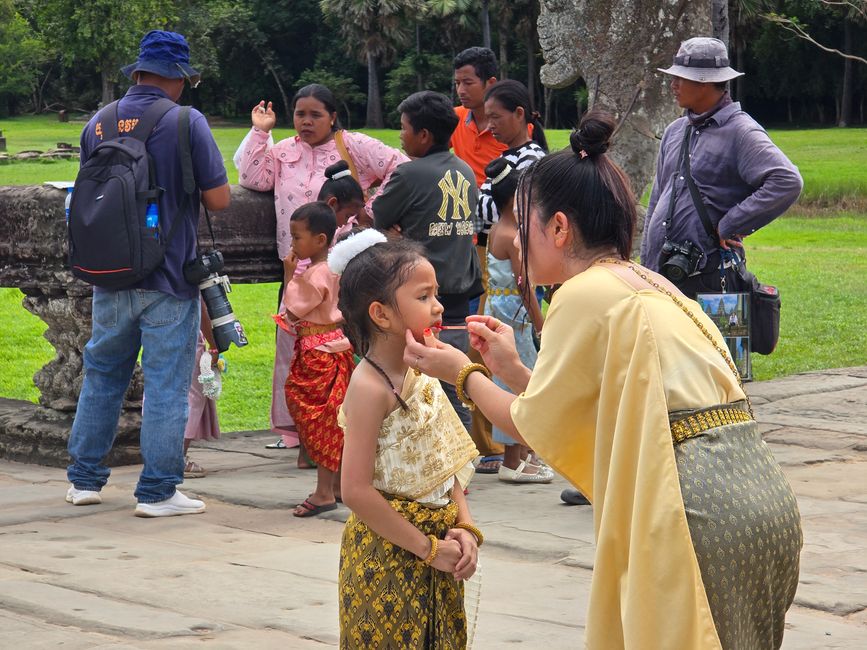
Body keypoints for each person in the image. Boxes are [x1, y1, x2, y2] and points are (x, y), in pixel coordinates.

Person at [406, 110, 803, 649]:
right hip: (759, 502)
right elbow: (597, 411)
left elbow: (530, 426)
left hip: (694, 511)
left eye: (521, 227)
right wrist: (513, 369)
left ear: (560, 228)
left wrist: (463, 372)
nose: (511, 243)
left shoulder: (582, 294)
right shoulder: (648, 282)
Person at [65, 30, 230, 517]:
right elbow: (219, 200)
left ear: (137, 73)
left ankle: (84, 480)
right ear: (178, 78)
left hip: (109, 272)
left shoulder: (98, 122)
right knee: (165, 383)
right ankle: (157, 490)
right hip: (169, 274)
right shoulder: (185, 121)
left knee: (101, 375)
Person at [238, 84, 407, 453]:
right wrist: (260, 131)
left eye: (315, 115)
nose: (306, 122)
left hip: (344, 269)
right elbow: (252, 179)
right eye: (300, 114)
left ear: (333, 116)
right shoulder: (283, 152)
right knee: (292, 349)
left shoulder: (353, 145)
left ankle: (351, 426)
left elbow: (400, 166)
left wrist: (370, 212)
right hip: (297, 268)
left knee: (346, 348)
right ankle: (295, 430)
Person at [330, 230, 480, 648]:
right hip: (389, 555)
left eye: (436, 294)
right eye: (424, 296)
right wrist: (428, 549)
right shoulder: (370, 387)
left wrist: (465, 528)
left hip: (440, 548)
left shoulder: (422, 370)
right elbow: (356, 491)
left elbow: (447, 465)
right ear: (381, 314)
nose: (438, 306)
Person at [642, 37, 803, 298]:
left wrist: (731, 223)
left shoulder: (740, 131)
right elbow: (657, 199)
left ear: (704, 82)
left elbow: (787, 181)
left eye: (681, 78)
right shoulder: (675, 131)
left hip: (710, 277)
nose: (673, 85)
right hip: (663, 275)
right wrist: (647, 268)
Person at [372, 90, 482, 433]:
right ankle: (463, 467)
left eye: (404, 128)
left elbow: (378, 215)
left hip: (418, 297)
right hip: (460, 296)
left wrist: (398, 236)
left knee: (417, 387)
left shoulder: (410, 174)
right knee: (457, 384)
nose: (400, 136)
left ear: (423, 135)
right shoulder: (465, 170)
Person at [277, 202, 355, 517]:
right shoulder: (339, 268)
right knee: (337, 417)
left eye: (297, 238)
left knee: (318, 417)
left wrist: (287, 275)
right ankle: (336, 485)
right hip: (339, 347)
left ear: (320, 240)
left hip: (317, 354)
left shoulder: (313, 275)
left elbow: (291, 312)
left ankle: (323, 492)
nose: (293, 244)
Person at [481, 158, 551, 485]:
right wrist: (540, 321)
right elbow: (524, 283)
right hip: (516, 313)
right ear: (516, 200)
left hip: (498, 305)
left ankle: (520, 455)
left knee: (508, 378)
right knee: (521, 377)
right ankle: (512, 459)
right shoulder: (512, 236)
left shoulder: (497, 230)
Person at [475, 79, 548, 237]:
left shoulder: (530, 157)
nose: (490, 125)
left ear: (519, 113)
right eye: (488, 118)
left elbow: (511, 211)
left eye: (495, 117)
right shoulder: (509, 155)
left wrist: (470, 198)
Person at [182, 302, 223, 479]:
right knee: (193, 397)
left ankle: (159, 455)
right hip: (188, 335)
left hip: (155, 337)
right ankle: (178, 458)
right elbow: (201, 307)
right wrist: (213, 345)